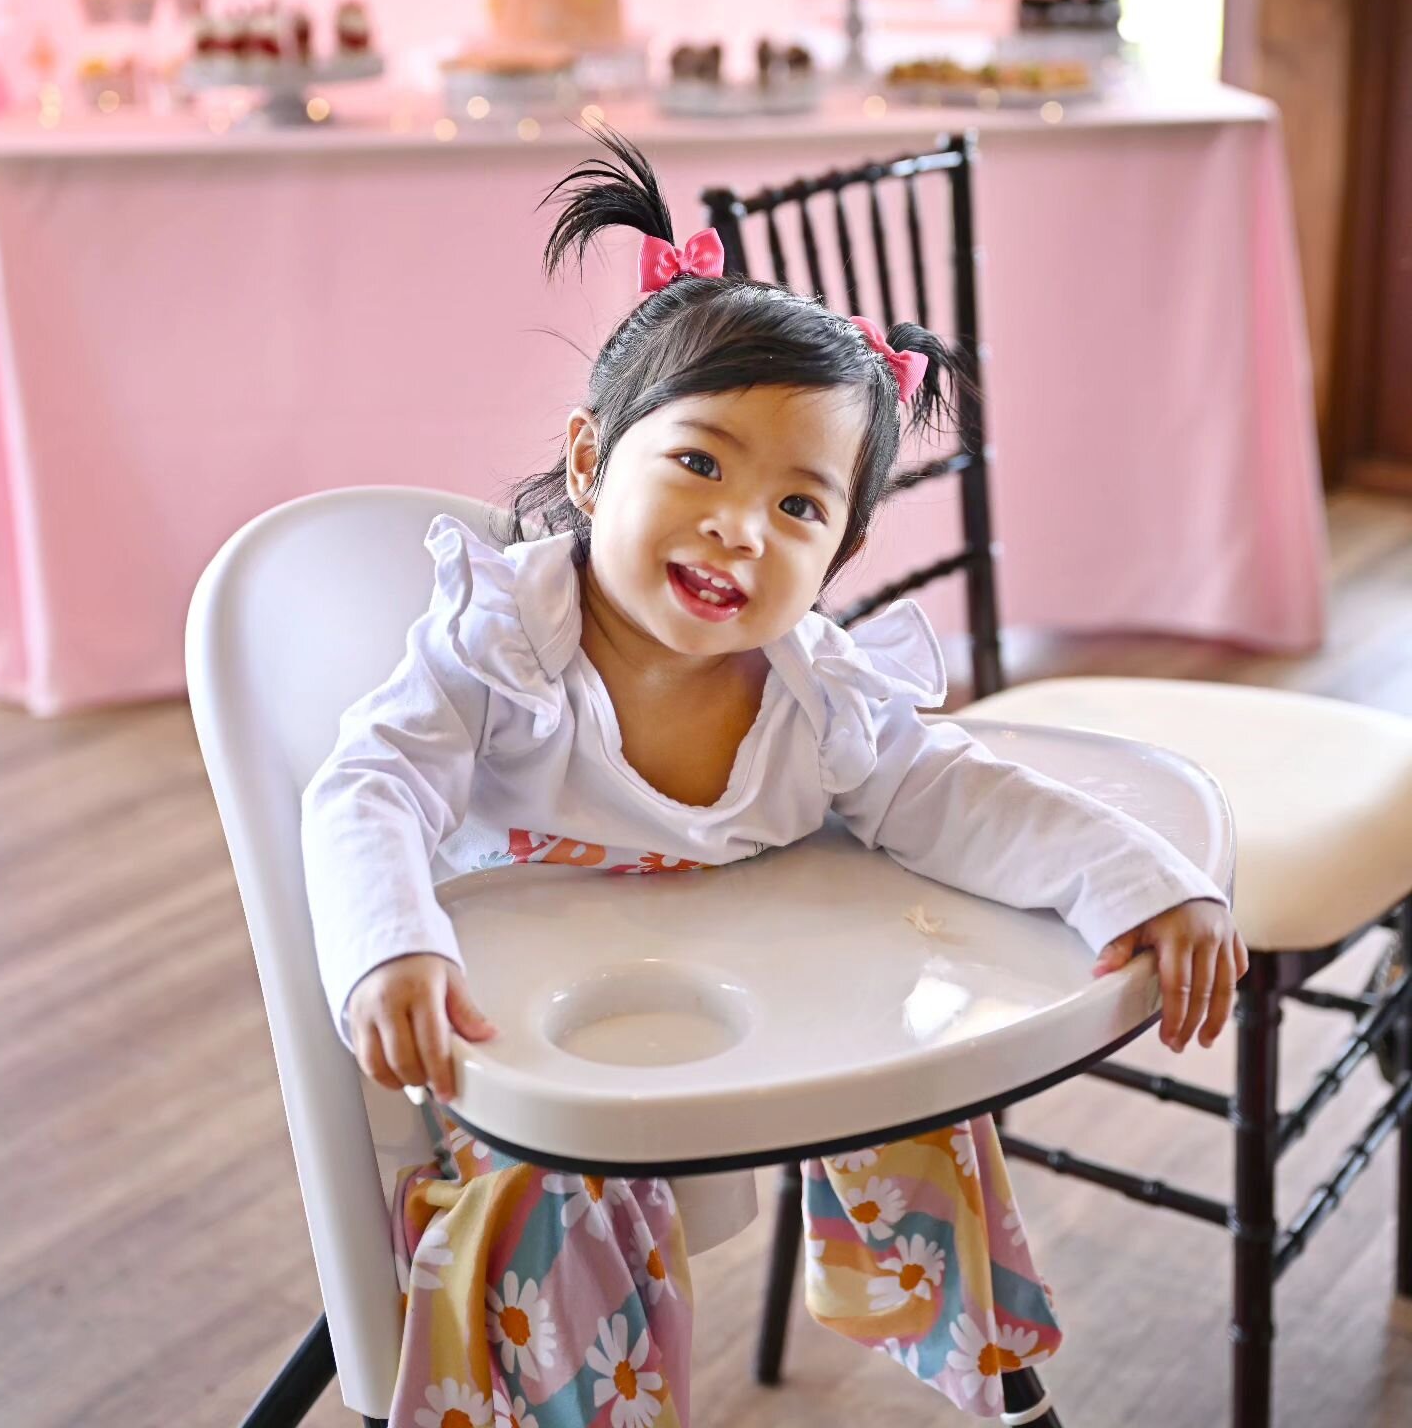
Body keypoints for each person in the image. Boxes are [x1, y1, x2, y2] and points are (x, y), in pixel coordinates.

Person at [301, 126, 1247, 1428]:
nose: (740, 526)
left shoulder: (820, 696)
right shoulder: (506, 648)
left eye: (800, 508)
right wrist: (391, 946)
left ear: (841, 554)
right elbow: (368, 786)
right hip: (552, 1025)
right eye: (698, 463)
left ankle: (971, 1353)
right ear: (589, 464)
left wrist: (1146, 886)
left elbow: (966, 798)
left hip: (768, 994)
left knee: (925, 1083)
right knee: (541, 1211)